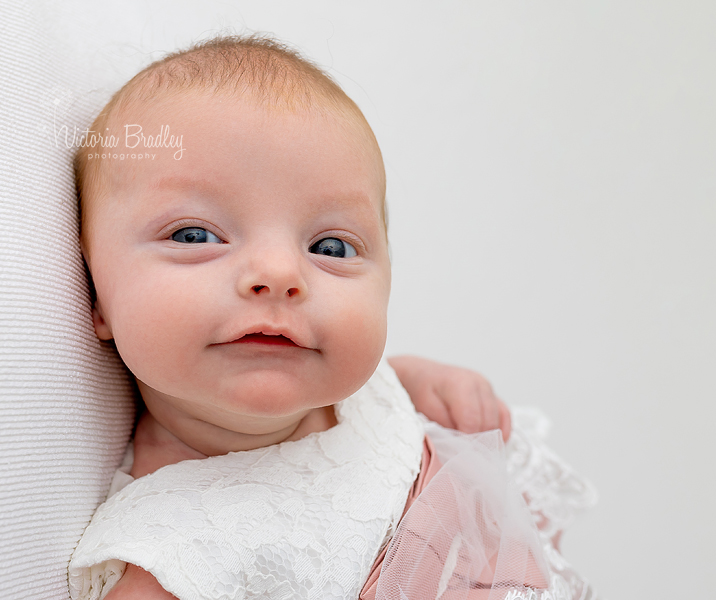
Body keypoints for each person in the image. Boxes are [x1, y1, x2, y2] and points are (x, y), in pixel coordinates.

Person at [68, 35, 594, 600]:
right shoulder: (167, 559)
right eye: (195, 235)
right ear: (96, 295)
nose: (277, 272)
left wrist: (419, 383)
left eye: (332, 248)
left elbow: (381, 410)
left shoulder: (365, 392)